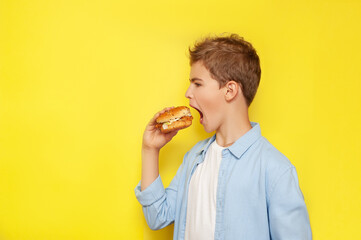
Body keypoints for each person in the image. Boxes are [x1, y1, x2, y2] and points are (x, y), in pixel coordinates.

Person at [135, 33, 312, 240]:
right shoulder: (194, 159)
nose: (187, 93)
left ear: (230, 90)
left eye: (197, 83)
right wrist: (150, 150)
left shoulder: (275, 170)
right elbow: (158, 217)